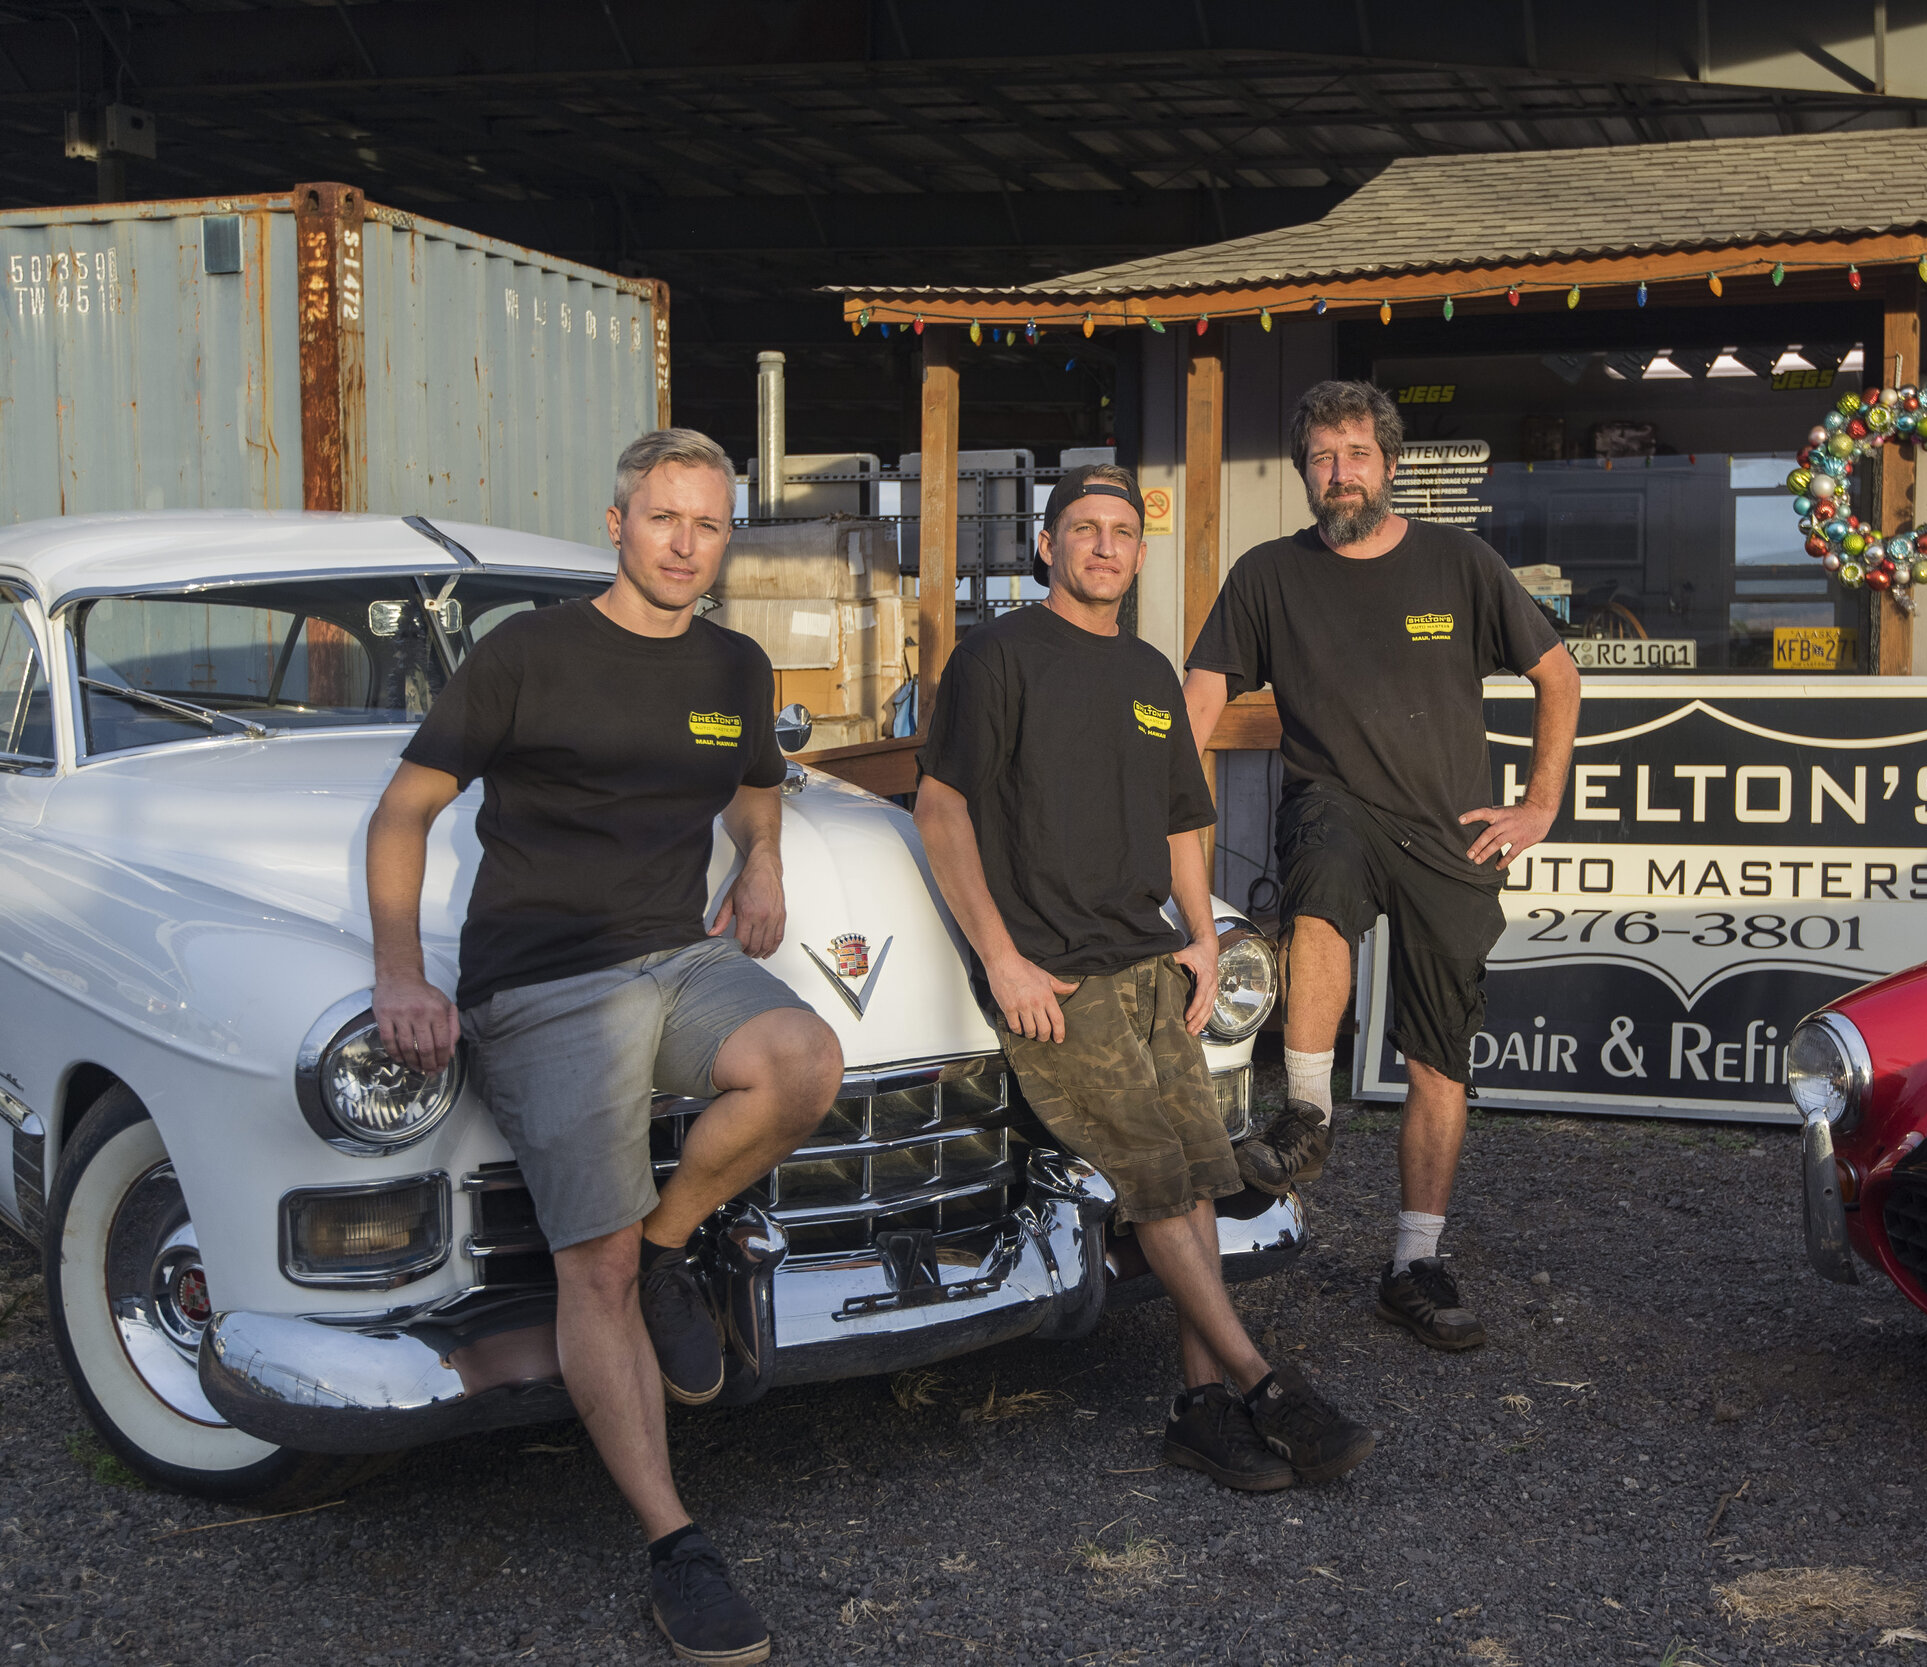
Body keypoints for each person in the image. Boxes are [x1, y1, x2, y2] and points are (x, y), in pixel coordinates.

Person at [368, 428, 843, 1666]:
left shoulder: (734, 663)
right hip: (542, 980)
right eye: (664, 518)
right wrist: (401, 971)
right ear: (619, 523)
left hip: (674, 958)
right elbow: (403, 811)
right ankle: (675, 1540)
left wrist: (762, 860)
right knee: (596, 1272)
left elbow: (754, 779)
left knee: (805, 1060)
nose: (686, 544)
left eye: (709, 524)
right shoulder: (528, 653)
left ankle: (672, 1241)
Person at [913, 463, 1374, 1491]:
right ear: (1047, 545)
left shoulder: (1148, 670)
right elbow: (941, 809)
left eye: (1122, 530)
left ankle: (1200, 1412)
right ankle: (1264, 1385)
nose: (1104, 546)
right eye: (1083, 528)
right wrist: (1002, 958)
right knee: (1159, 1183)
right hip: (1056, 980)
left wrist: (1202, 932)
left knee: (1200, 1173)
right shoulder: (996, 657)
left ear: (1139, 552)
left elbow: (1181, 816)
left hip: (1149, 964)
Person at [1182, 380, 1580, 1353]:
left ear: (1389, 465)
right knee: (1319, 878)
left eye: (1356, 453)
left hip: (1449, 833)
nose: (1340, 472)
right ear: (1303, 472)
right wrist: (1163, 805)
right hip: (1338, 803)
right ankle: (1308, 1110)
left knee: (1440, 1057)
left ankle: (1414, 1261)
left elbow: (1557, 675)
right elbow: (1199, 697)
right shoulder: (1269, 574)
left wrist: (1539, 804)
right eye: (1322, 456)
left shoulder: (1459, 561)